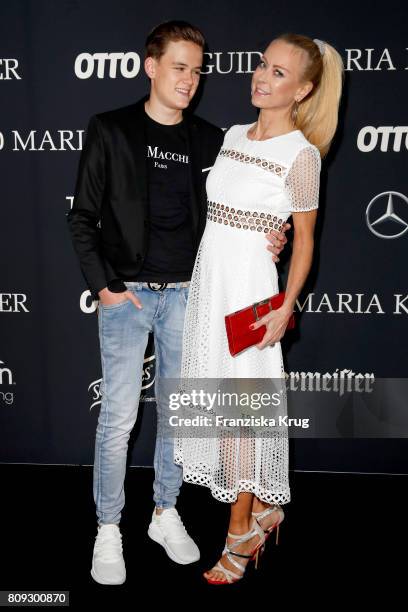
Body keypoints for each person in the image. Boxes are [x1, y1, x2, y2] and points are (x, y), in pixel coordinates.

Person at [67, 21, 289, 585]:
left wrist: (274, 235)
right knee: (118, 419)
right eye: (178, 66)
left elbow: (247, 204)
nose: (189, 79)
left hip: (192, 296)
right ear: (151, 66)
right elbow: (81, 216)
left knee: (179, 416)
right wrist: (105, 286)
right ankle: (109, 528)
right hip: (128, 296)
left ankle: (165, 513)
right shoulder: (111, 129)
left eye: (197, 69)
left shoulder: (214, 139)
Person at [175, 33, 344, 584]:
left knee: (242, 419)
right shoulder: (229, 135)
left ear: (303, 89)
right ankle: (260, 513)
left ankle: (240, 533)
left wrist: (284, 306)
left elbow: (305, 241)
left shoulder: (301, 156)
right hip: (211, 286)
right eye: (261, 65)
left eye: (277, 72)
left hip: (249, 297)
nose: (262, 77)